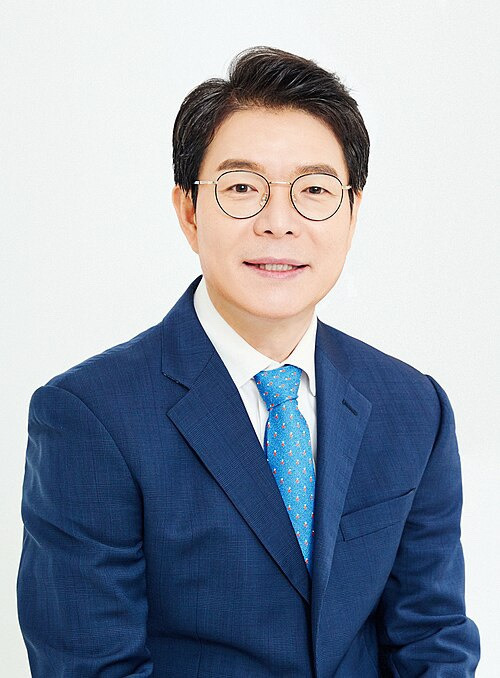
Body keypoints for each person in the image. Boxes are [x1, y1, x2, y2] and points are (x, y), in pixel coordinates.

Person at [17, 45, 480, 677]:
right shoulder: (91, 416)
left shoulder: (413, 407)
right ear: (189, 211)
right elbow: (91, 666)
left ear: (353, 212)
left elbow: (433, 639)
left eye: (314, 190)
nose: (279, 222)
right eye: (241, 188)